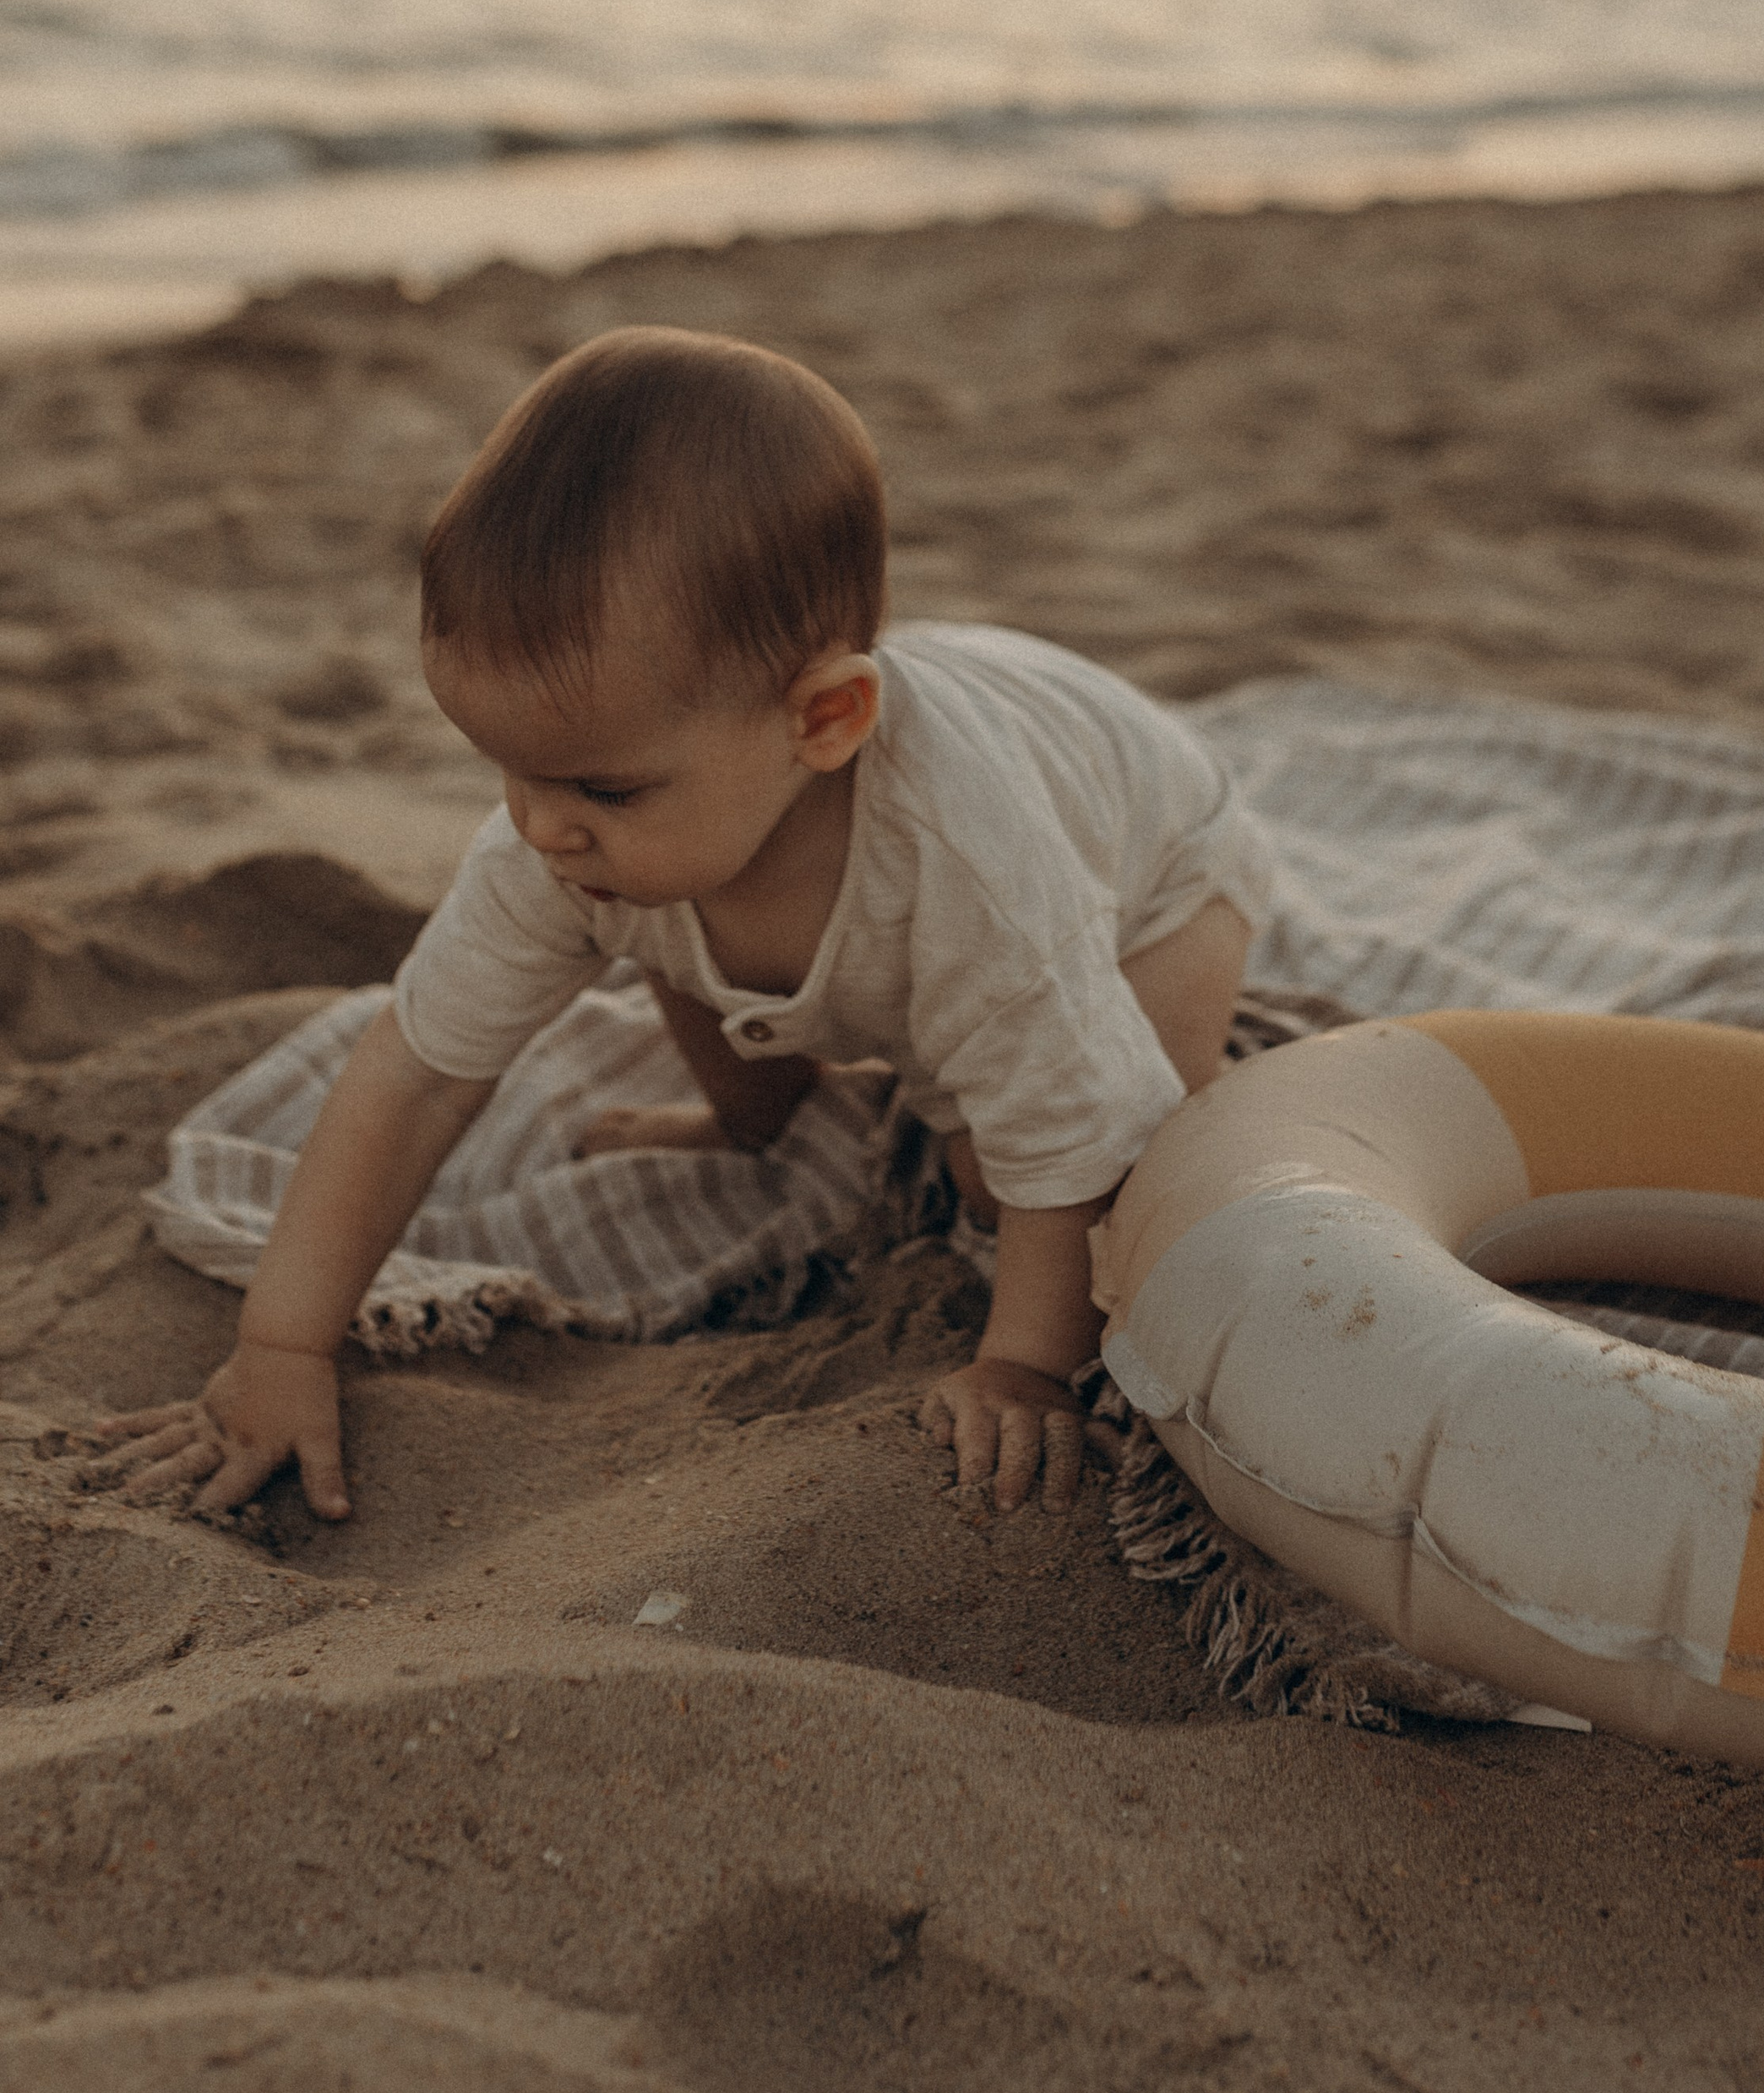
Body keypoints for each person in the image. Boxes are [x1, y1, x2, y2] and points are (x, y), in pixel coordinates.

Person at [104, 327, 1272, 1522]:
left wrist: (1024, 1367)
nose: (542, 829)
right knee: (652, 897)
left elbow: (1077, 1132)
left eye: (600, 788)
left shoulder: (975, 863)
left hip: (1156, 865)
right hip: (795, 819)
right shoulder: (582, 830)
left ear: (825, 722)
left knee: (1053, 1186)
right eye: (507, 769)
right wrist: (286, 1345)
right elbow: (416, 1079)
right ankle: (758, 1103)